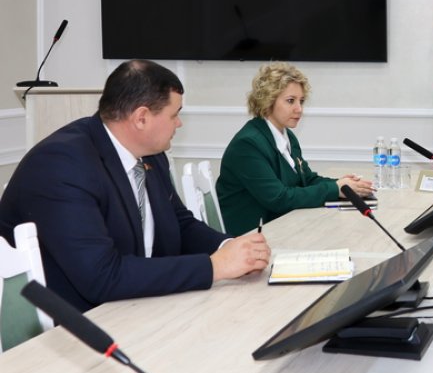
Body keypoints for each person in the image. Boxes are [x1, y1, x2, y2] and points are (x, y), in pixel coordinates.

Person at [0, 60, 270, 312]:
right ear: (141, 118)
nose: (179, 123)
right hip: (76, 323)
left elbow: (180, 223)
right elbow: (102, 278)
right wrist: (214, 267)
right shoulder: (62, 165)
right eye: (174, 114)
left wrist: (229, 248)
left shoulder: (150, 154)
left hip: (136, 304)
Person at [216, 62, 373, 235]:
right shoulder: (248, 145)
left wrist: (344, 185)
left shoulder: (287, 136)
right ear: (268, 101)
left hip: (279, 228)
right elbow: (279, 199)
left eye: (301, 101)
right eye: (290, 101)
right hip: (249, 237)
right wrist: (335, 188)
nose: (299, 109)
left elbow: (306, 180)